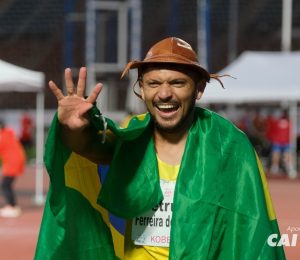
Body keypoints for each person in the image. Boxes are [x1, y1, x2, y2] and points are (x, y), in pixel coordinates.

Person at [36, 37, 285, 259]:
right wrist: (73, 129)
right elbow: (91, 149)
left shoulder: (229, 145)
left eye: (177, 82)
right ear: (141, 89)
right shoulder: (131, 136)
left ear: (198, 89)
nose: (164, 94)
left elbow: (252, 224)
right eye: (154, 83)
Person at [0, 120, 26, 218]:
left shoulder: (3, 136)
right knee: (7, 184)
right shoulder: (8, 132)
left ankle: (12, 206)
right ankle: (13, 206)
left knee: (5, 185)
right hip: (16, 160)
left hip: (13, 161)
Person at [269, 109, 297, 179]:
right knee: (276, 154)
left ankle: (289, 168)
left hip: (287, 142)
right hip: (277, 142)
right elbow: (272, 131)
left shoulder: (290, 122)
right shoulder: (276, 122)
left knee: (288, 155)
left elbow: (292, 133)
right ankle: (275, 167)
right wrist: (273, 139)